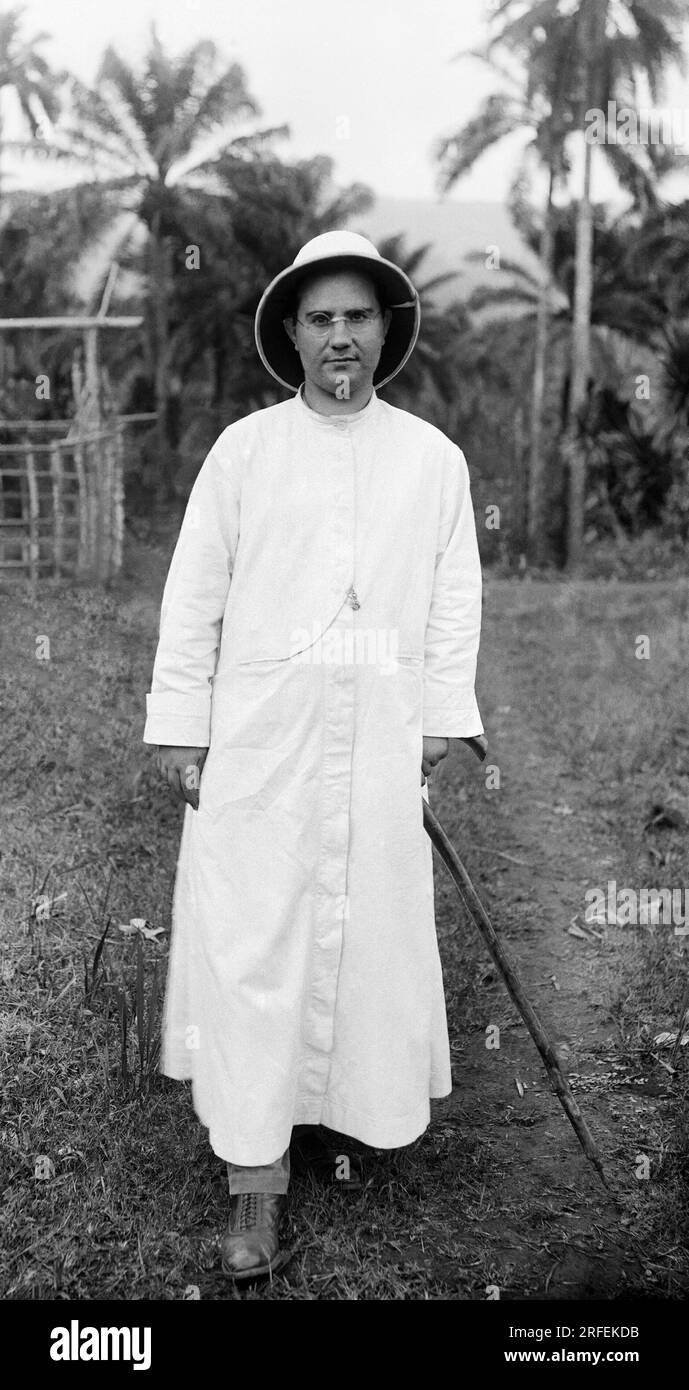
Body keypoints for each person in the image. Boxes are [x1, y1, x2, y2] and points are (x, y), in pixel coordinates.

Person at [143, 230, 484, 1282]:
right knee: (254, 936)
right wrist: (178, 723)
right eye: (321, 318)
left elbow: (453, 602)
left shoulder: (431, 460)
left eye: (359, 317)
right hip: (261, 743)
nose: (340, 336)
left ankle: (340, 1112)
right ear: (289, 333)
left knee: (363, 925)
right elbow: (194, 593)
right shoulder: (244, 454)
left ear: (387, 331)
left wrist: (436, 715)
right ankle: (254, 1175)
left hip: (377, 739)